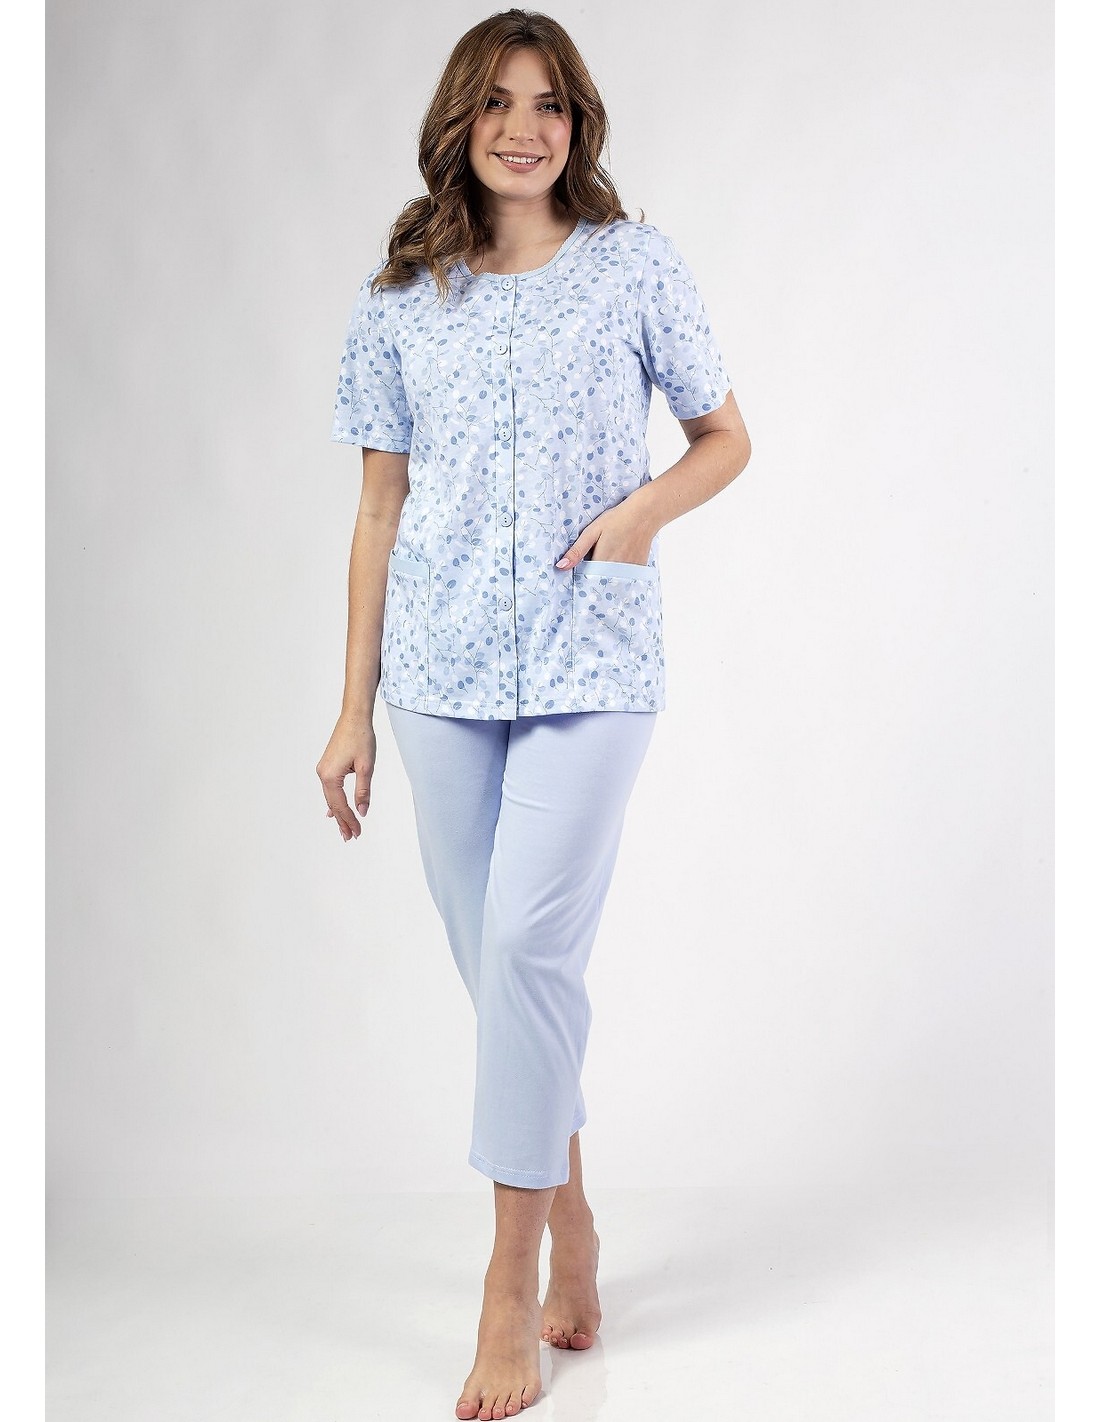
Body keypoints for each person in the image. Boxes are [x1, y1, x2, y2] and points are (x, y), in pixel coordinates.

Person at [316, 9, 751, 1419]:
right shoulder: (401, 294)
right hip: (438, 675)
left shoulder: (635, 265)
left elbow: (727, 437)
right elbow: (376, 511)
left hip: (591, 657)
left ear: (579, 123)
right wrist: (351, 711)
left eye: (550, 102)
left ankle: (507, 1284)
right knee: (503, 969)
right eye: (499, 102)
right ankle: (572, 1211)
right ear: (461, 122)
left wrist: (640, 517)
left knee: (524, 944)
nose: (525, 127)